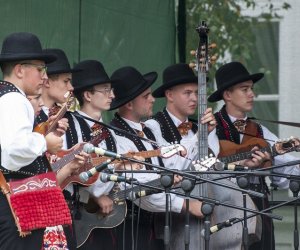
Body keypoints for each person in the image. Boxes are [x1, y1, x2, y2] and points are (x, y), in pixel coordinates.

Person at [109, 66, 215, 250]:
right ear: (129, 104)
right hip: (132, 228)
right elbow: (139, 187)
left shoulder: (151, 129)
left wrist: (203, 135)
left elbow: (175, 163)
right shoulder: (115, 137)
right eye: (146, 96)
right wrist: (186, 204)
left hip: (158, 224)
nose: (152, 99)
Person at [207, 61, 300, 250]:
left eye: (251, 89)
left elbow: (286, 169)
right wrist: (243, 166)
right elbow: (206, 169)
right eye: (244, 89)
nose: (252, 94)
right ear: (227, 95)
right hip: (224, 209)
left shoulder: (260, 130)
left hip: (259, 207)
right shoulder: (210, 129)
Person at [144, 63, 219, 250]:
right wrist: (200, 136)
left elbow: (212, 163)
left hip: (204, 207)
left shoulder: (198, 127)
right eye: (187, 93)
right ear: (170, 95)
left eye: (196, 92)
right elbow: (173, 167)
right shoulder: (153, 126)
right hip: (169, 214)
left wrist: (206, 134)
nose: (194, 98)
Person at [0, 32, 64, 250]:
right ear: (20, 70)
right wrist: (45, 143)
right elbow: (14, 151)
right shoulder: (15, 100)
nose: (44, 77)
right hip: (15, 203)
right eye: (40, 69)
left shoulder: (5, 97)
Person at [64, 59, 122, 250]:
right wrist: (96, 196)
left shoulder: (110, 131)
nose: (112, 95)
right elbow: (71, 167)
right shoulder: (70, 124)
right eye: (105, 90)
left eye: (111, 90)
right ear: (88, 95)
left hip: (102, 217)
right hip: (76, 212)